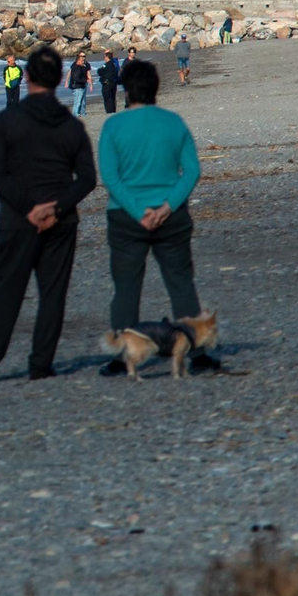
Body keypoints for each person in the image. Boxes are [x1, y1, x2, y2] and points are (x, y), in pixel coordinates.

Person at [0, 46, 97, 384]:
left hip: (17, 219)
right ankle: (41, 364)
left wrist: (29, 209)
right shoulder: (70, 125)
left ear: (29, 76)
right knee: (52, 294)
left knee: (6, 291)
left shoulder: (8, 120)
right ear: (56, 81)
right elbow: (88, 179)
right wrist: (56, 207)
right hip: (60, 219)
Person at [97, 61, 216, 375]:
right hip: (171, 215)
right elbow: (191, 171)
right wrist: (166, 207)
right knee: (180, 283)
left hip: (126, 216)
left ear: (125, 89)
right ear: (156, 89)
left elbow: (110, 176)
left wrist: (140, 212)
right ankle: (198, 350)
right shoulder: (173, 122)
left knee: (125, 287)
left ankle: (123, 354)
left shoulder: (113, 126)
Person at [67, 51, 92, 116]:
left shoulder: (87, 64)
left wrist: (90, 84)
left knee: (83, 100)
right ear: (78, 57)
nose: (83, 58)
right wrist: (66, 81)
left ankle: (82, 113)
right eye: (81, 56)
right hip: (77, 85)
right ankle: (76, 113)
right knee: (78, 100)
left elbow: (88, 74)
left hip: (83, 84)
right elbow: (70, 73)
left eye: (84, 56)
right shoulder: (75, 65)